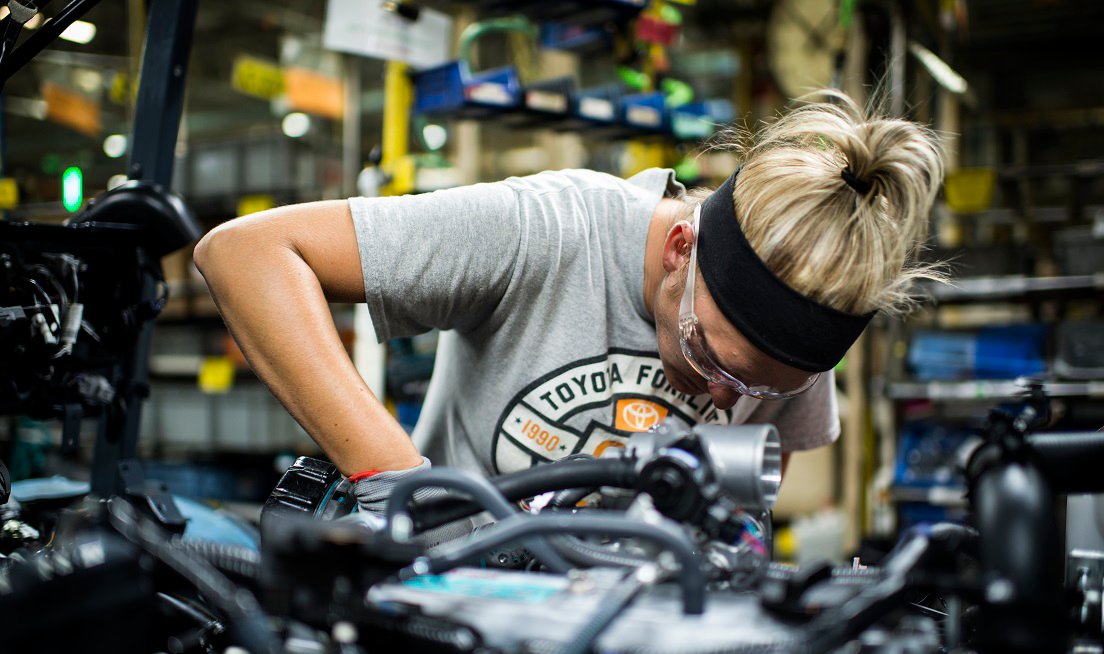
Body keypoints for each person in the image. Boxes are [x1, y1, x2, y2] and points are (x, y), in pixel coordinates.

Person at [194, 90, 944, 522]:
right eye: (709, 354)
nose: (725, 397)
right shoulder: (547, 230)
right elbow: (247, 255)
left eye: (761, 388)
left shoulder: (787, 337)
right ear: (681, 247)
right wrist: (395, 481)